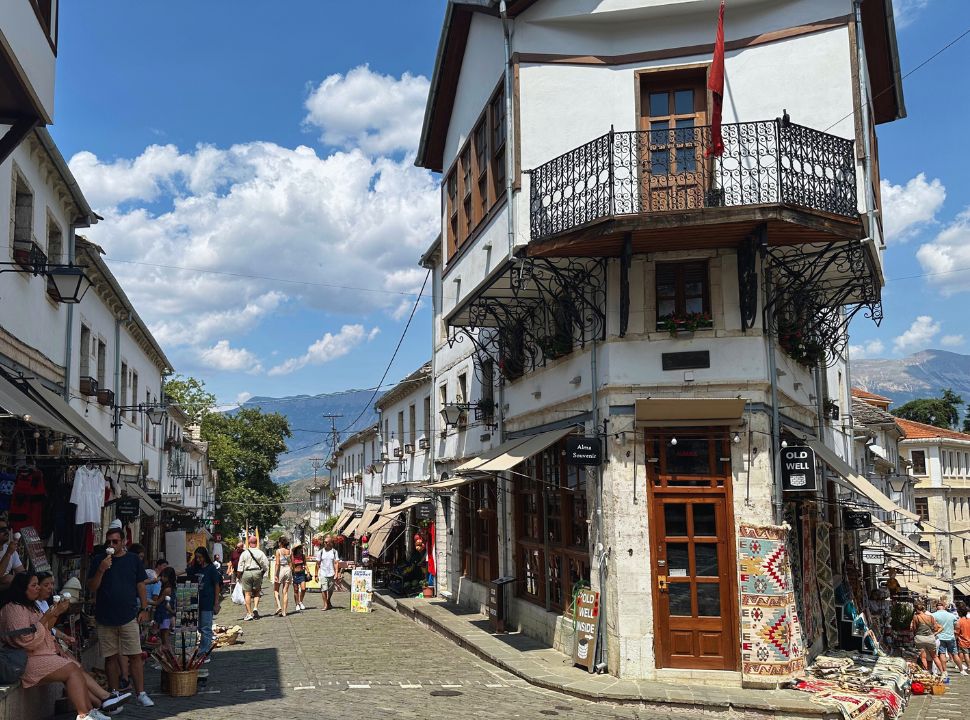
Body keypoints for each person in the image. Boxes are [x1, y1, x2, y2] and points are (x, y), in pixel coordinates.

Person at [0, 573, 130, 720]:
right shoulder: (14, 609)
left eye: (38, 584)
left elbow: (46, 628)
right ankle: (87, 712)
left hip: (39, 653)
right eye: (34, 585)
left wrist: (56, 613)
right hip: (25, 659)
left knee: (74, 667)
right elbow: (26, 640)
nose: (38, 588)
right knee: (71, 670)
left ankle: (93, 708)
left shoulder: (31, 606)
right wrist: (48, 616)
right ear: (22, 588)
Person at [86, 526, 154, 707]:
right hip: (105, 616)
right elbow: (92, 587)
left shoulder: (132, 560)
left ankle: (141, 692)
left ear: (124, 542)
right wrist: (101, 569)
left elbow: (140, 585)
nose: (111, 545)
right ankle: (114, 692)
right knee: (110, 657)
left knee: (135, 655)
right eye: (108, 542)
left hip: (128, 614)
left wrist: (144, 608)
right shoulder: (99, 560)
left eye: (115, 542)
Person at [190, 547, 222, 657]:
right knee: (199, 627)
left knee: (206, 628)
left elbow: (217, 585)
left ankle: (204, 652)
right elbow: (186, 571)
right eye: (197, 557)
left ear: (205, 556)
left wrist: (216, 602)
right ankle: (203, 649)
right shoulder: (196, 568)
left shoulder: (211, 568)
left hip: (208, 601)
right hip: (197, 601)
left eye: (200, 557)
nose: (198, 560)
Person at [34, 572, 76, 648]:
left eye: (52, 584)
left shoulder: (44, 602)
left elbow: (50, 628)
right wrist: (57, 612)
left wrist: (64, 636)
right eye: (46, 585)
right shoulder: (34, 606)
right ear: (37, 587)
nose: (50, 587)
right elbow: (46, 628)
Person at [235, 535, 269, 621]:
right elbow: (266, 564)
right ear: (256, 543)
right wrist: (262, 572)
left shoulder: (244, 553)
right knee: (257, 592)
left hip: (246, 573)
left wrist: (238, 577)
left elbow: (240, 566)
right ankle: (255, 608)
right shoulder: (260, 553)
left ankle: (249, 613)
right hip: (257, 572)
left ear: (249, 543)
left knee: (247, 593)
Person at [150, 567, 177, 658]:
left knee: (165, 640)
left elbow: (157, 602)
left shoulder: (167, 589)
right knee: (164, 639)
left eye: (164, 576)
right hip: (164, 615)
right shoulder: (169, 587)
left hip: (165, 616)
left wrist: (146, 600)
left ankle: (170, 659)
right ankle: (168, 658)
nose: (161, 578)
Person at [933, 598, 964, 677]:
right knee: (955, 654)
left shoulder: (933, 615)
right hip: (950, 637)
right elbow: (957, 625)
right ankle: (961, 670)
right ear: (944, 606)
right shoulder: (952, 615)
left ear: (937, 607)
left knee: (942, 654)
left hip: (940, 637)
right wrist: (955, 633)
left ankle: (945, 671)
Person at [911, 601, 943, 675]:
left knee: (923, 657)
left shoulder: (916, 617)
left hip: (920, 638)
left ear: (916, 609)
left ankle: (927, 674)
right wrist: (933, 632)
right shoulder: (931, 617)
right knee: (934, 656)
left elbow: (914, 629)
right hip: (930, 638)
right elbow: (935, 628)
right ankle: (942, 672)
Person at [315, 535, 340, 611]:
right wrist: (316, 574)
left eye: (326, 542)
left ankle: (328, 600)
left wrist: (336, 573)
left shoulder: (334, 552)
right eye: (324, 542)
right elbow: (317, 564)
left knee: (330, 590)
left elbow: (336, 563)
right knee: (323, 589)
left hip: (331, 573)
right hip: (323, 573)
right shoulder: (321, 552)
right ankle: (325, 604)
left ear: (330, 543)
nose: (325, 543)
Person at [0, 518, 25, 590]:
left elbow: (22, 573)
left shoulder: (9, 548)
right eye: (2, 530)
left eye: (7, 528)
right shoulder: (9, 550)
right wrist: (8, 553)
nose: (6, 531)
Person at [274, 537, 292, 617]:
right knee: (285, 592)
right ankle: (285, 612)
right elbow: (290, 562)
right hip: (288, 569)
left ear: (280, 543)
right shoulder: (289, 551)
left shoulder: (278, 551)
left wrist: (275, 574)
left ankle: (279, 606)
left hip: (281, 569)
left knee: (276, 589)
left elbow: (277, 563)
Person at [955, 600, 970, 677]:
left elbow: (957, 632)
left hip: (963, 640)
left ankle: (969, 667)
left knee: (966, 654)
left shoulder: (959, 621)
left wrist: (955, 638)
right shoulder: (969, 620)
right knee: (964, 653)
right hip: (969, 638)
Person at [291, 544, 308, 611]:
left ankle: (300, 601)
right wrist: (292, 554)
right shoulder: (292, 556)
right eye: (299, 548)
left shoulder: (303, 556)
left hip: (302, 573)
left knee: (303, 589)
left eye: (301, 548)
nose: (301, 549)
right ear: (296, 549)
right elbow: (291, 565)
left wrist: (308, 572)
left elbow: (305, 564)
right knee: (296, 590)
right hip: (295, 574)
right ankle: (297, 604)